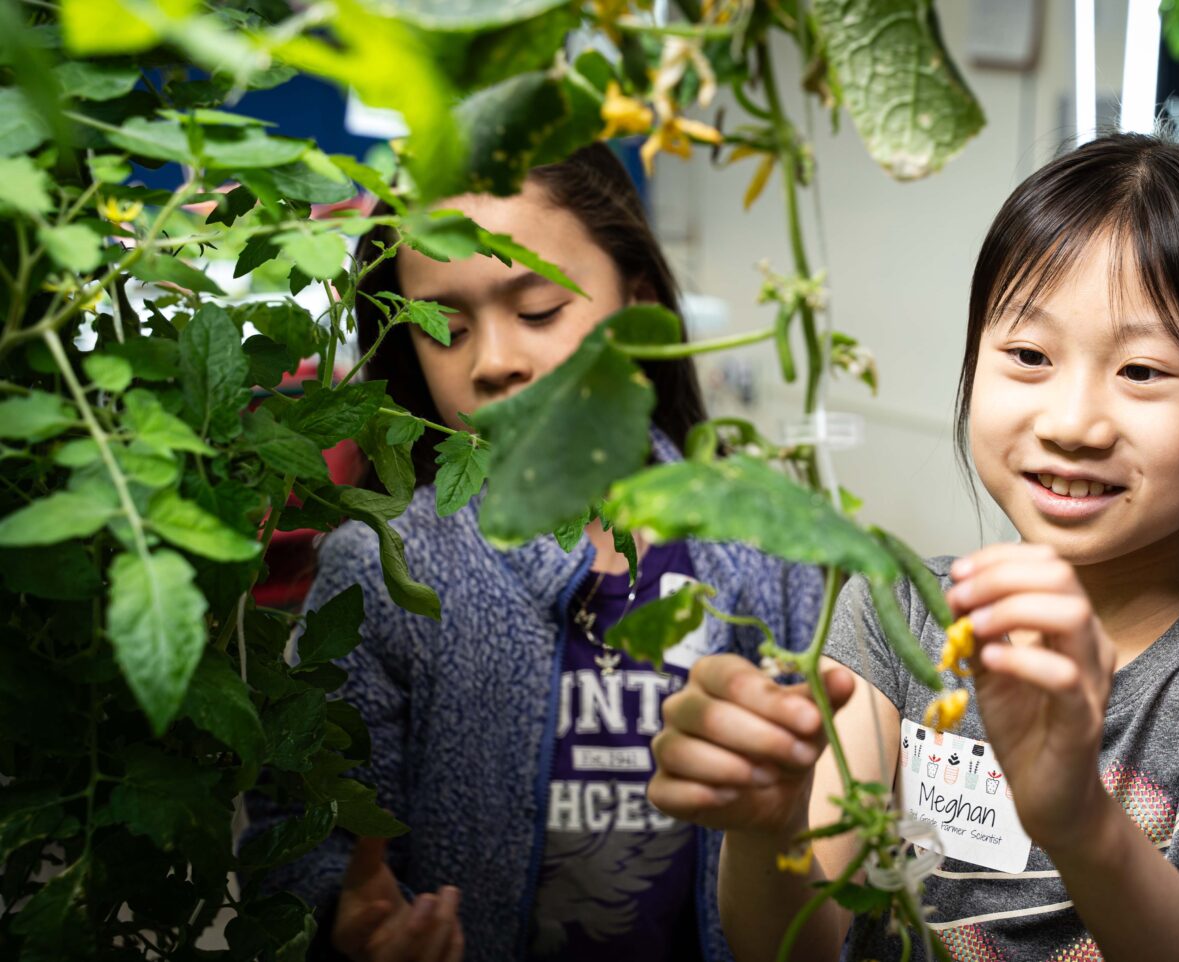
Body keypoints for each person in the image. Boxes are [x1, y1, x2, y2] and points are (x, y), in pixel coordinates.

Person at [647, 132, 1179, 961]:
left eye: (1142, 371)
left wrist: (1078, 823)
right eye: (1029, 356)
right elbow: (794, 948)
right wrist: (767, 826)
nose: (1072, 423)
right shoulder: (895, 614)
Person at [247, 144, 824, 962]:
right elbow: (294, 838)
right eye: (444, 328)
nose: (494, 362)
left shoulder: (771, 545)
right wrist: (342, 923)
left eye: (541, 309)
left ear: (642, 304)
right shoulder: (382, 569)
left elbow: (836, 830)